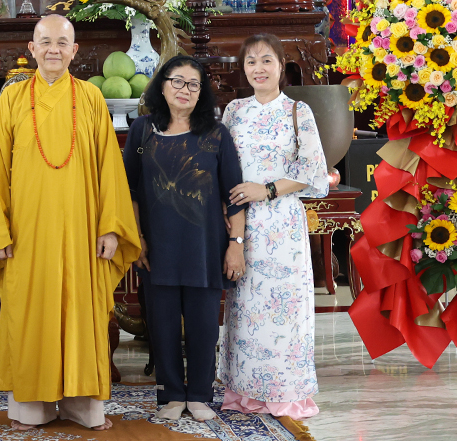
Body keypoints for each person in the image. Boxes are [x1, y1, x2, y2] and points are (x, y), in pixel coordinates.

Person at [0, 14, 141, 431]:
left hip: (82, 228)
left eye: (62, 43)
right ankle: (33, 406)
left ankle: (83, 405)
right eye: (45, 42)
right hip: (26, 231)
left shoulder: (91, 98)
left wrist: (110, 227)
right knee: (29, 311)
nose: (53, 50)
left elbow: (109, 168)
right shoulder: (12, 99)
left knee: (82, 310)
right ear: (31, 49)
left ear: (74, 51)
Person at [124, 55, 245, 421]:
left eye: (193, 84)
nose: (185, 90)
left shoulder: (217, 134)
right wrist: (137, 237)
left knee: (203, 326)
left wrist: (236, 245)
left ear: (201, 92)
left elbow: (234, 195)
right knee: (161, 326)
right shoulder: (142, 131)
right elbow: (129, 191)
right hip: (156, 246)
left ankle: (200, 395)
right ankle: (171, 395)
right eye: (177, 81)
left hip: (205, 247)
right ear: (162, 86)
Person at [220, 33, 329, 418]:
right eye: (251, 62)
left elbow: (312, 170)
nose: (259, 69)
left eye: (267, 60)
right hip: (242, 223)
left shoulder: (298, 111)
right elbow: (222, 164)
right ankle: (245, 392)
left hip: (282, 224)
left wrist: (264, 190)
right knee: (246, 307)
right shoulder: (234, 111)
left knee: (284, 308)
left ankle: (285, 393)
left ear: (282, 67)